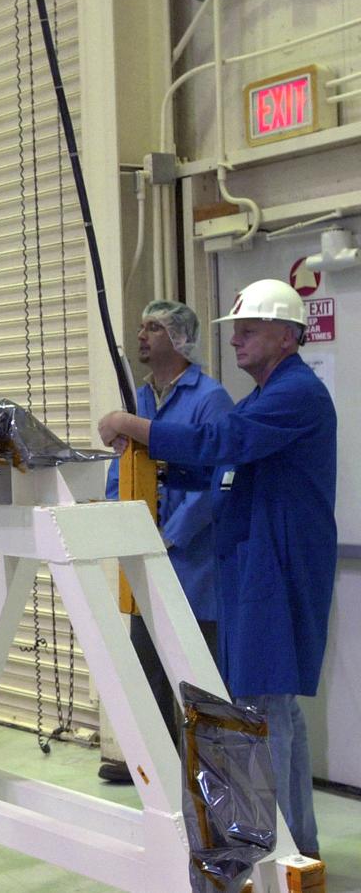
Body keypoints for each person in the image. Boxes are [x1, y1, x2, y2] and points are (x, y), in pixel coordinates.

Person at [98, 279, 336, 857]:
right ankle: (297, 844)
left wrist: (138, 429)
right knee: (273, 706)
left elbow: (222, 441)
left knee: (263, 705)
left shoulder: (295, 393)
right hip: (252, 564)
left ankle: (275, 851)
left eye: (250, 330)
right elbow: (224, 465)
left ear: (287, 335)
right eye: (235, 332)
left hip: (273, 567)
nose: (236, 342)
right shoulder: (261, 395)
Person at [99, 301, 234, 784]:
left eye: (153, 327)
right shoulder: (138, 401)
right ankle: (156, 779)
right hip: (144, 565)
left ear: (179, 340)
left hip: (193, 567)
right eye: (142, 325)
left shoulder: (210, 399)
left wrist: (169, 535)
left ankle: (203, 784)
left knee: (195, 680)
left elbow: (220, 478)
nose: (141, 335)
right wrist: (124, 523)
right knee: (146, 674)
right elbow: (120, 471)